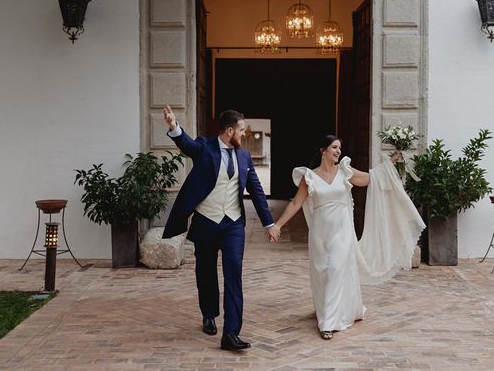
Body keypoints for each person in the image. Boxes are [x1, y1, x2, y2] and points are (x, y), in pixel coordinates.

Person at [274, 135, 425, 340]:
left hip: (342, 231)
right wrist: (278, 225)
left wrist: (391, 162)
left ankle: (327, 324)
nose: (338, 151)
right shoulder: (309, 176)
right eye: (334, 147)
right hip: (319, 233)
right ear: (323, 151)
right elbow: (295, 204)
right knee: (323, 273)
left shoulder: (345, 171)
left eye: (339, 148)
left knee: (336, 268)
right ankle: (327, 310)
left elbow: (372, 177)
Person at [162, 105, 281, 351]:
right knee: (205, 271)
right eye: (241, 130)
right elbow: (187, 145)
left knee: (234, 273)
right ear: (229, 131)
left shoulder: (244, 157)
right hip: (206, 221)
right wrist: (174, 126)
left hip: (233, 224)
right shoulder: (205, 148)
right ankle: (208, 313)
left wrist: (269, 223)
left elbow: (256, 191)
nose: (243, 134)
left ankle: (231, 333)